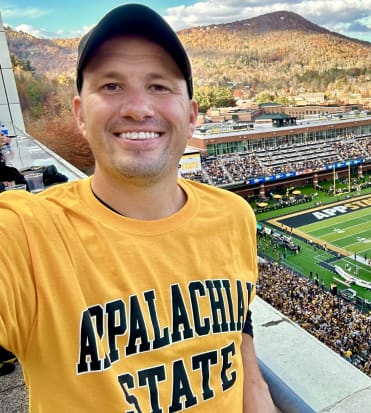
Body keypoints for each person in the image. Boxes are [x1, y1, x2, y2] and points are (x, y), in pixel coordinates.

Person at [0, 4, 275, 412]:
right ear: (79, 113)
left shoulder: (235, 216)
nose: (138, 107)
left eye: (159, 86)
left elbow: (238, 327)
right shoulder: (26, 232)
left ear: (192, 114)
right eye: (111, 86)